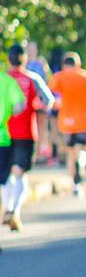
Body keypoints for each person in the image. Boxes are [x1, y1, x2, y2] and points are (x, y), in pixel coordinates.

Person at [2, 44, 55, 230]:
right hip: (26, 132)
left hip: (4, 133)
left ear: (8, 59)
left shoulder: (3, 79)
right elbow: (49, 101)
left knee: (5, 174)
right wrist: (37, 106)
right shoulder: (33, 78)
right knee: (21, 173)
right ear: (25, 60)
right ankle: (14, 211)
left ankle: (8, 208)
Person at [47, 52, 86, 198]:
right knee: (81, 149)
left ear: (63, 65)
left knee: (70, 151)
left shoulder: (59, 77)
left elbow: (48, 93)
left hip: (66, 121)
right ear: (78, 64)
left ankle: (75, 185)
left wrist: (57, 103)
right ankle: (81, 162)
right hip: (83, 120)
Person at [0, 60, 26, 250]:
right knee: (3, 181)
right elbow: (19, 106)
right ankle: (9, 210)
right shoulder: (7, 81)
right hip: (2, 138)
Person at [24, 41, 51, 163]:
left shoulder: (40, 63)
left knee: (42, 122)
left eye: (33, 48)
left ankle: (42, 147)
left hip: (40, 97)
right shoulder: (24, 64)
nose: (31, 51)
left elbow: (47, 79)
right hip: (28, 99)